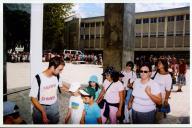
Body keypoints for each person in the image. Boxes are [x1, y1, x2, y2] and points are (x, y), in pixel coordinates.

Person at [29, 56, 69, 124]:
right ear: (52, 67)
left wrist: (73, 90)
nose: (61, 72)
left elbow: (61, 86)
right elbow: (33, 98)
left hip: (53, 106)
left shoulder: (57, 76)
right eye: (60, 69)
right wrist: (43, 112)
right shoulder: (38, 78)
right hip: (40, 107)